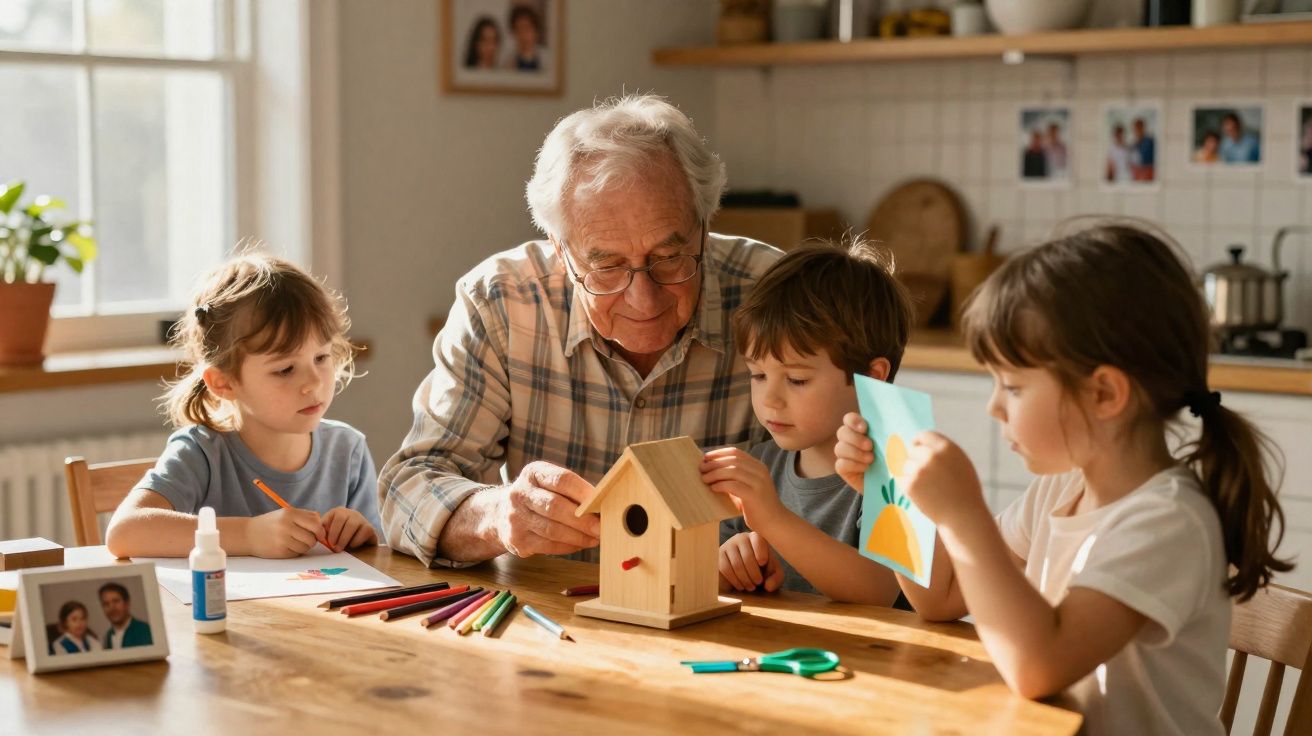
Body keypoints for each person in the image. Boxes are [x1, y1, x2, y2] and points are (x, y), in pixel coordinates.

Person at [834, 223, 1291, 735]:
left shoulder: (1166, 522)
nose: (994, 407)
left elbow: (1038, 665)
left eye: (1013, 386)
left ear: (1104, 394)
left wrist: (963, 516)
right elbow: (940, 597)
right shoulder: (1062, 489)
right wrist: (891, 493)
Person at [378, 94, 783, 568]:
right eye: (607, 266)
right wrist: (498, 516)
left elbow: (848, 500)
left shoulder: (775, 298)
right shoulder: (502, 302)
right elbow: (410, 487)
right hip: (556, 620)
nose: (643, 298)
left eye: (669, 258)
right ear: (560, 248)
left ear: (704, 224)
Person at [105, 252, 381, 559]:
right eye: (285, 369)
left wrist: (362, 535)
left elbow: (381, 555)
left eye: (321, 357)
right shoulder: (202, 454)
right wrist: (249, 535)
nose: (314, 383)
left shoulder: (348, 450)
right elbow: (124, 532)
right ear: (224, 383)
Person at [704, 242, 907, 605]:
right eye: (757, 375)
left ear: (870, 378)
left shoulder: (896, 470)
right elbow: (711, 582)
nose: (770, 400)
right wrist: (730, 565)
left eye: (796, 380)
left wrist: (772, 520)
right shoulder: (762, 465)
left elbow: (881, 592)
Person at [98, 583, 153, 649]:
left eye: (116, 601)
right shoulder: (107, 637)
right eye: (106, 604)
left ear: (127, 603)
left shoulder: (145, 631)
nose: (111, 608)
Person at [507, 5, 544, 71]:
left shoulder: (547, 60)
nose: (523, 35)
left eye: (527, 29)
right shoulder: (507, 63)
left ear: (536, 32)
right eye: (519, 30)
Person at [1131, 117, 1156, 182]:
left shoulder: (1150, 142)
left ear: (1143, 128)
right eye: (1135, 129)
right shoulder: (1134, 145)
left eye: (1138, 129)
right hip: (1138, 176)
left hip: (1148, 175)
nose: (1136, 131)